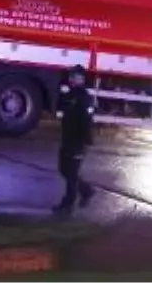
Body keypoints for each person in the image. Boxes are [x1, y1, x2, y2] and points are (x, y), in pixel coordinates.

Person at [53, 64, 96, 216]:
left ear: (82, 79)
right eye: (71, 76)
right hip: (67, 137)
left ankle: (67, 205)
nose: (72, 79)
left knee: (70, 173)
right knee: (63, 169)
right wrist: (62, 96)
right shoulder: (68, 93)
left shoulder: (84, 96)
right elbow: (59, 111)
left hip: (78, 140)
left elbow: (86, 121)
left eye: (76, 77)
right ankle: (86, 190)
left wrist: (86, 140)